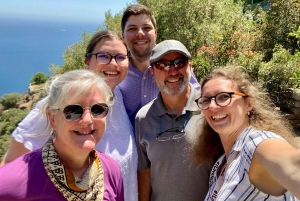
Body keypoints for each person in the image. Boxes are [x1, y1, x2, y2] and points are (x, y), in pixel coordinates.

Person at [0, 30, 138, 201]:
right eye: (103, 56)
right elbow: (10, 165)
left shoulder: (119, 97)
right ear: (87, 61)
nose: (113, 63)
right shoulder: (56, 103)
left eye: (120, 57)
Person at [0, 69, 124, 200]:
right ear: (52, 118)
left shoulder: (111, 169)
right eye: (73, 110)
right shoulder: (10, 183)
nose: (87, 120)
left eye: (98, 109)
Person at [193, 66, 300, 200]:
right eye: (206, 100)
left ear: (248, 104)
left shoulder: (256, 142)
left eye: (224, 97)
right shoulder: (221, 164)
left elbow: (292, 166)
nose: (212, 106)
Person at [135, 39, 211, 201]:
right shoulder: (143, 118)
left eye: (179, 63)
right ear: (152, 72)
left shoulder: (210, 108)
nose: (173, 71)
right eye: (163, 65)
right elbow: (144, 172)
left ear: (190, 66)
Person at [119, 4, 201, 126]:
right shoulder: (117, 71)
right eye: (132, 29)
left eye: (146, 28)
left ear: (156, 33)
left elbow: (198, 97)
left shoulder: (176, 64)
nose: (140, 33)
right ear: (123, 36)